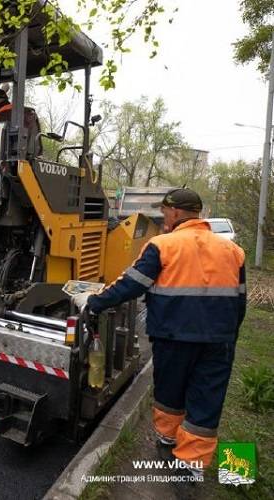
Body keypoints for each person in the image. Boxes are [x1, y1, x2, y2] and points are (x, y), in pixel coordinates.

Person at [74, 188, 246, 478]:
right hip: (219, 340)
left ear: (176, 212)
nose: (162, 217)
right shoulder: (233, 251)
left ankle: (167, 437)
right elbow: (240, 302)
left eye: (164, 212)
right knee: (207, 398)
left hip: (173, 338)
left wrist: (93, 303)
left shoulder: (162, 245)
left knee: (170, 390)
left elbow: (131, 285)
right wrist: (230, 336)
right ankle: (191, 466)